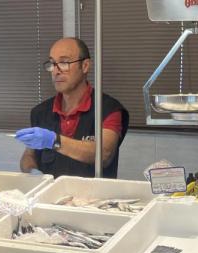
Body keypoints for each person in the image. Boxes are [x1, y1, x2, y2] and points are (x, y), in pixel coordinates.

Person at [16, 37, 130, 179]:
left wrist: (54, 141)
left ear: (85, 66)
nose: (56, 71)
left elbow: (104, 154)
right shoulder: (40, 112)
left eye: (64, 63)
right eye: (52, 63)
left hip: (93, 198)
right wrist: (32, 171)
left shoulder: (108, 109)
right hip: (49, 198)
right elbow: (29, 155)